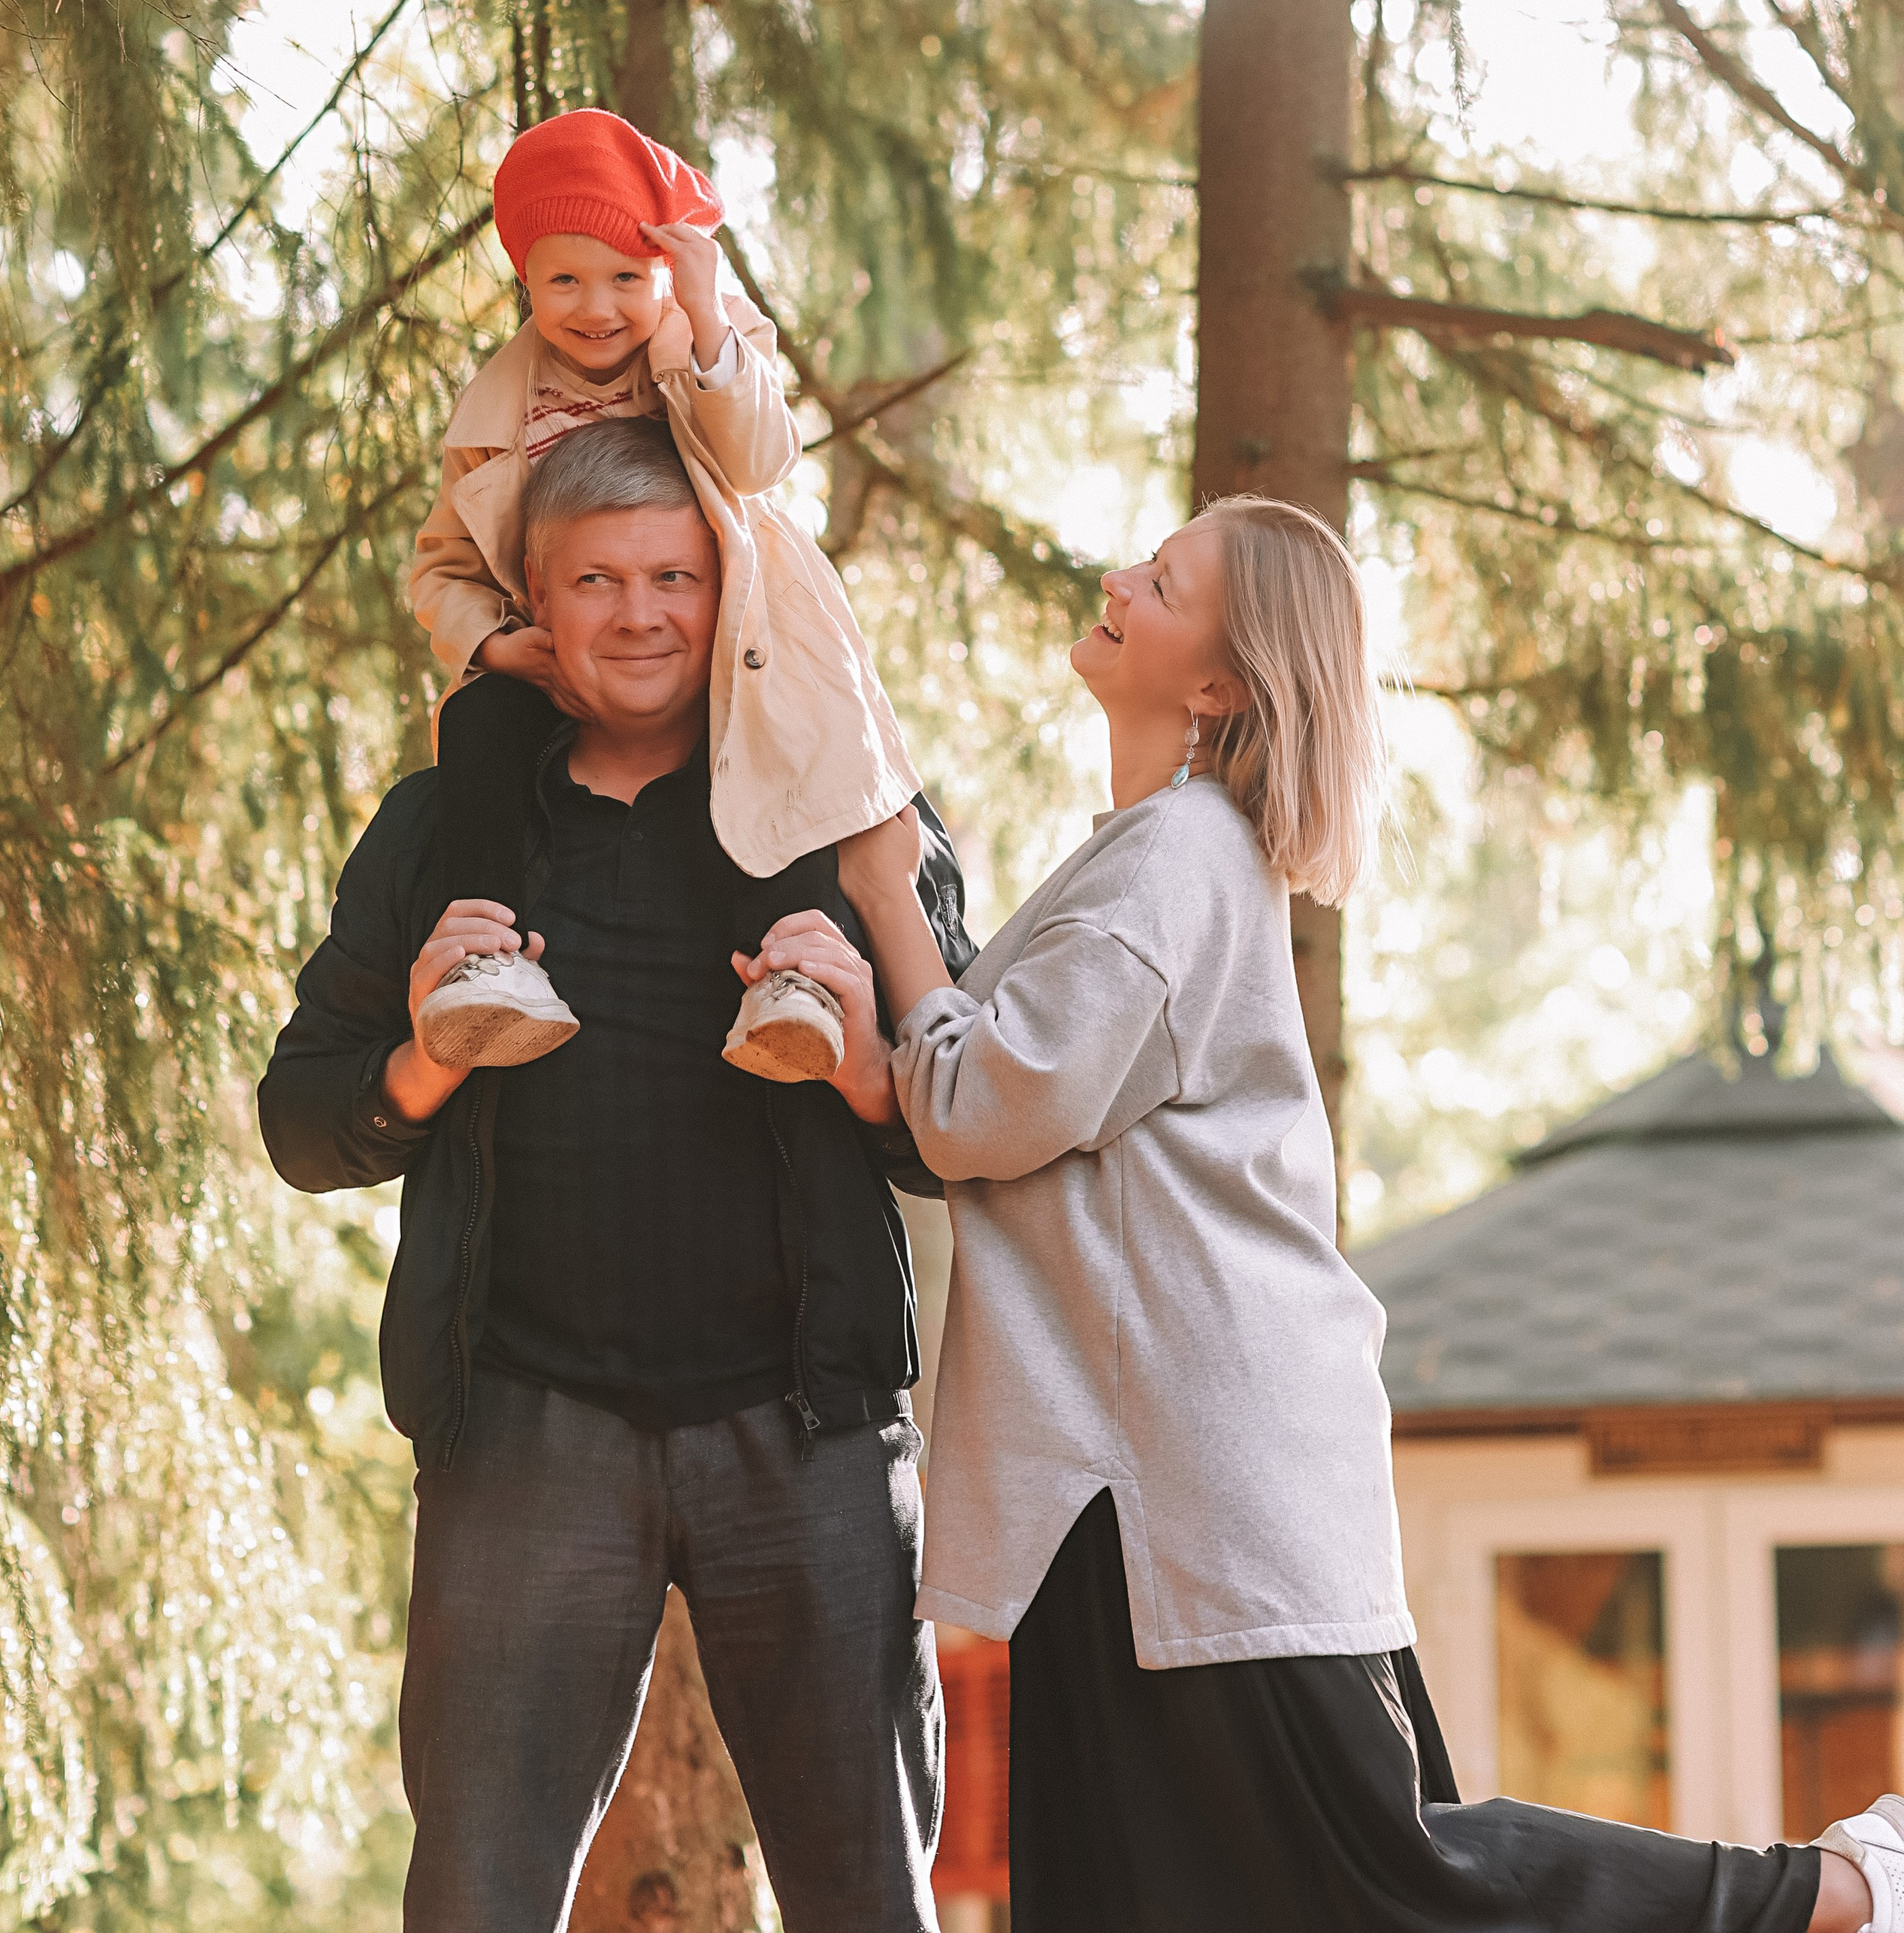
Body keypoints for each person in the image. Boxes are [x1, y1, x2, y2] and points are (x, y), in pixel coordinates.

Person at [747, 495, 1894, 1933]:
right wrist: (885, 1069)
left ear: (1220, 684)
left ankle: (1834, 1893)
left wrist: (883, 889)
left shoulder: (1175, 861)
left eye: (1163, 585)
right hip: (1132, 1476)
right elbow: (993, 1118)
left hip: (1186, 1482)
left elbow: (987, 1107)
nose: (1118, 579)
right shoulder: (1148, 854)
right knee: (1140, 1898)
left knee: (1389, 1873)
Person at [258, 416, 974, 1933]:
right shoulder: (441, 833)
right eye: (595, 581)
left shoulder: (852, 820)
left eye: (673, 577)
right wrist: (424, 1057)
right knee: (477, 1899)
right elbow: (302, 1122)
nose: (639, 614)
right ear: (533, 599)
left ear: (730, 593)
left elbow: (968, 1139)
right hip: (528, 1428)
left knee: (869, 1895)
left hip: (811, 1431)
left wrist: (864, 1058)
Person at [406, 102, 920, 1083]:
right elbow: (441, 565)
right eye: (565, 281)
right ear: (524, 282)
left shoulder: (701, 341)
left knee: (781, 740)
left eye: (627, 280)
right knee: (479, 723)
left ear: (665, 278)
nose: (596, 307)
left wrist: (708, 316)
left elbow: (759, 459)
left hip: (729, 634)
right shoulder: (497, 411)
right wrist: (495, 645)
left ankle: (793, 972)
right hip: (568, 652)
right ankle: (489, 955)